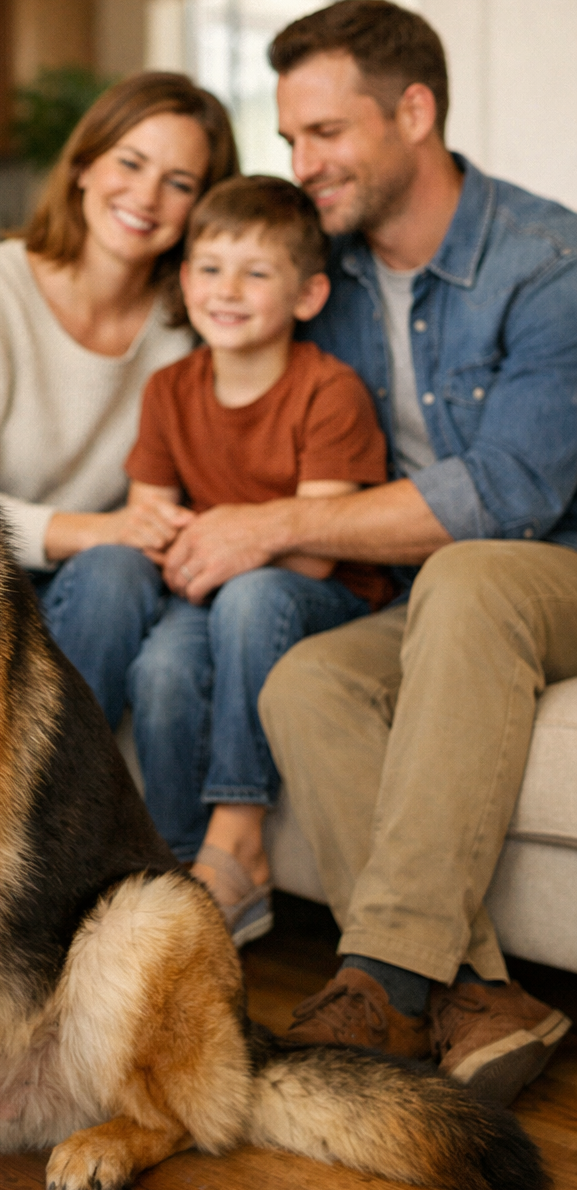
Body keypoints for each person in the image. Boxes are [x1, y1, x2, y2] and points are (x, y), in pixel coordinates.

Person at [160, 0, 577, 1106]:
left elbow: (509, 495)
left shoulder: (547, 262)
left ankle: (382, 971)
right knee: (301, 684)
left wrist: (277, 523)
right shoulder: (322, 276)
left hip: (548, 563)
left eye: (326, 135)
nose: (302, 165)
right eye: (291, 139)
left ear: (414, 111)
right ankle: (479, 996)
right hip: (423, 589)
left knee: (472, 568)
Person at [124, 176, 392, 945]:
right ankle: (183, 875)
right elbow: (151, 516)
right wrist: (176, 550)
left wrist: (206, 559)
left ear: (307, 296)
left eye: (256, 272)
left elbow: (313, 551)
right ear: (184, 282)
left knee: (253, 599)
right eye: (209, 269)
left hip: (319, 592)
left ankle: (237, 836)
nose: (227, 290)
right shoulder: (171, 389)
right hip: (210, 589)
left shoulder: (329, 391)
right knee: (161, 670)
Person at [0, 72, 237, 727]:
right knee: (114, 564)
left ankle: (67, 809)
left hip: (113, 585)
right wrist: (102, 531)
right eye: (130, 163)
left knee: (117, 574)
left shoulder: (195, 325)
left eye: (180, 183)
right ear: (82, 166)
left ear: (201, 208)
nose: (147, 196)